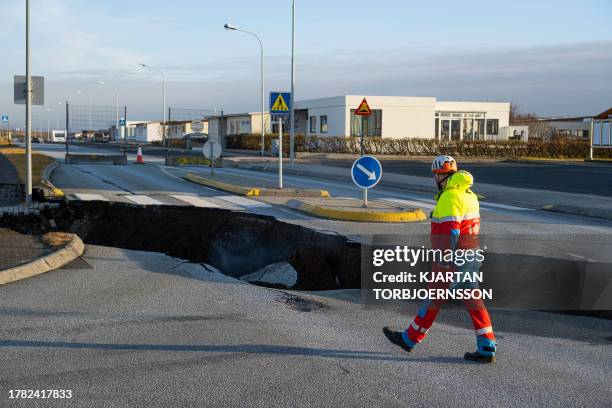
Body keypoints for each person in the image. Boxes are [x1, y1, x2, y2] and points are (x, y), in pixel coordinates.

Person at [383, 155, 497, 363]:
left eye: (436, 175)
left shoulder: (449, 197)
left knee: (433, 299)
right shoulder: (469, 194)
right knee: (474, 301)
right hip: (471, 256)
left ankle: (409, 339)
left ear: (441, 176)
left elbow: (450, 233)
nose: (435, 179)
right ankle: (487, 345)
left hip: (452, 259)